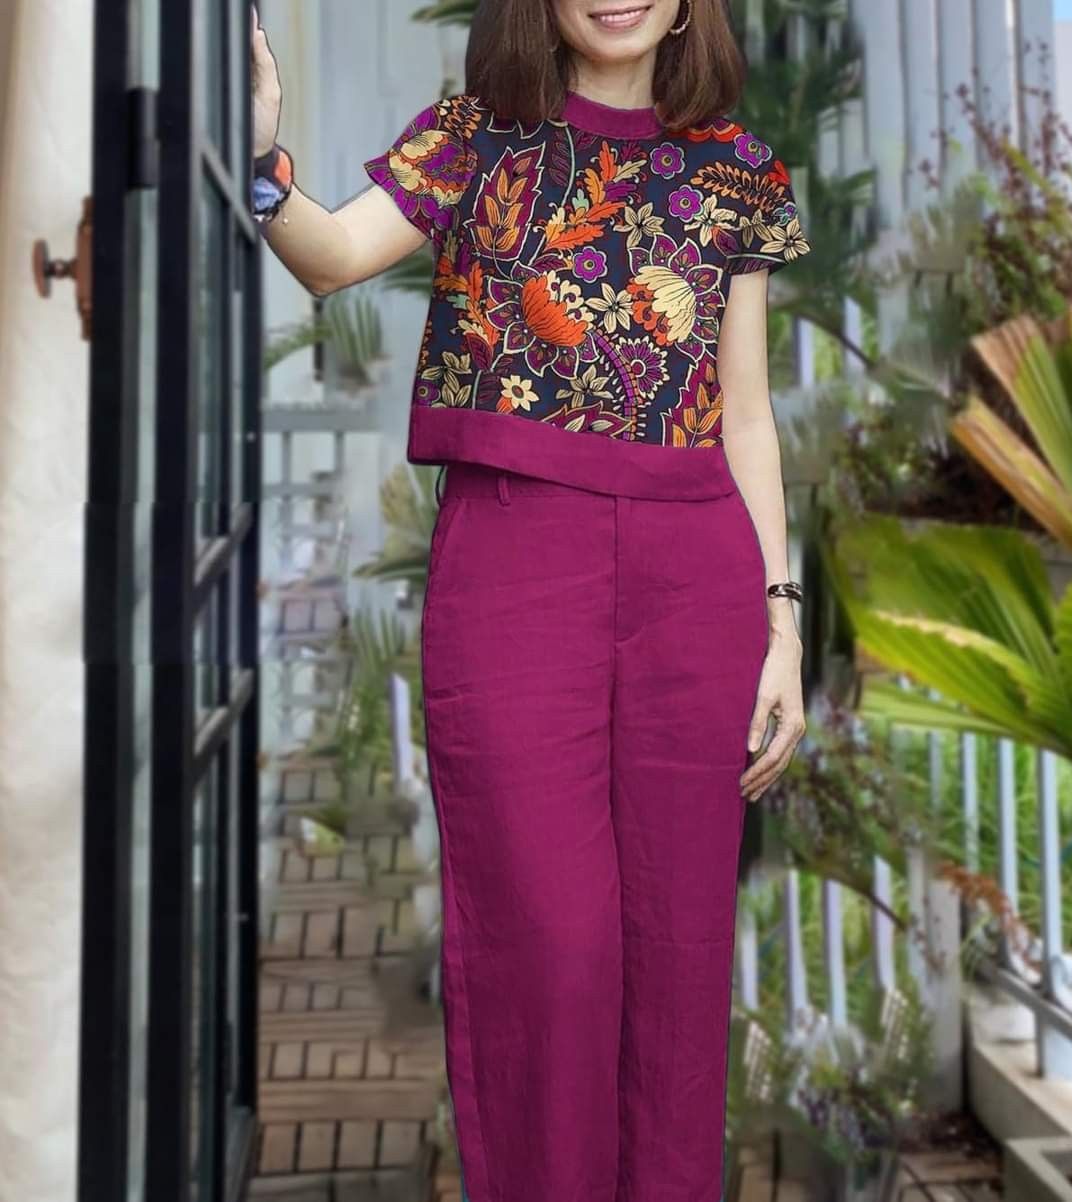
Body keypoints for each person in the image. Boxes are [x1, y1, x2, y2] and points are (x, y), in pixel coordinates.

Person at [252, 2, 809, 1199]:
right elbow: (331, 255)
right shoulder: (477, 135)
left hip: (697, 579)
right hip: (514, 567)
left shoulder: (738, 170)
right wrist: (261, 163)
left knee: (679, 955)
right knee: (551, 944)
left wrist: (784, 620)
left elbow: (749, 416)